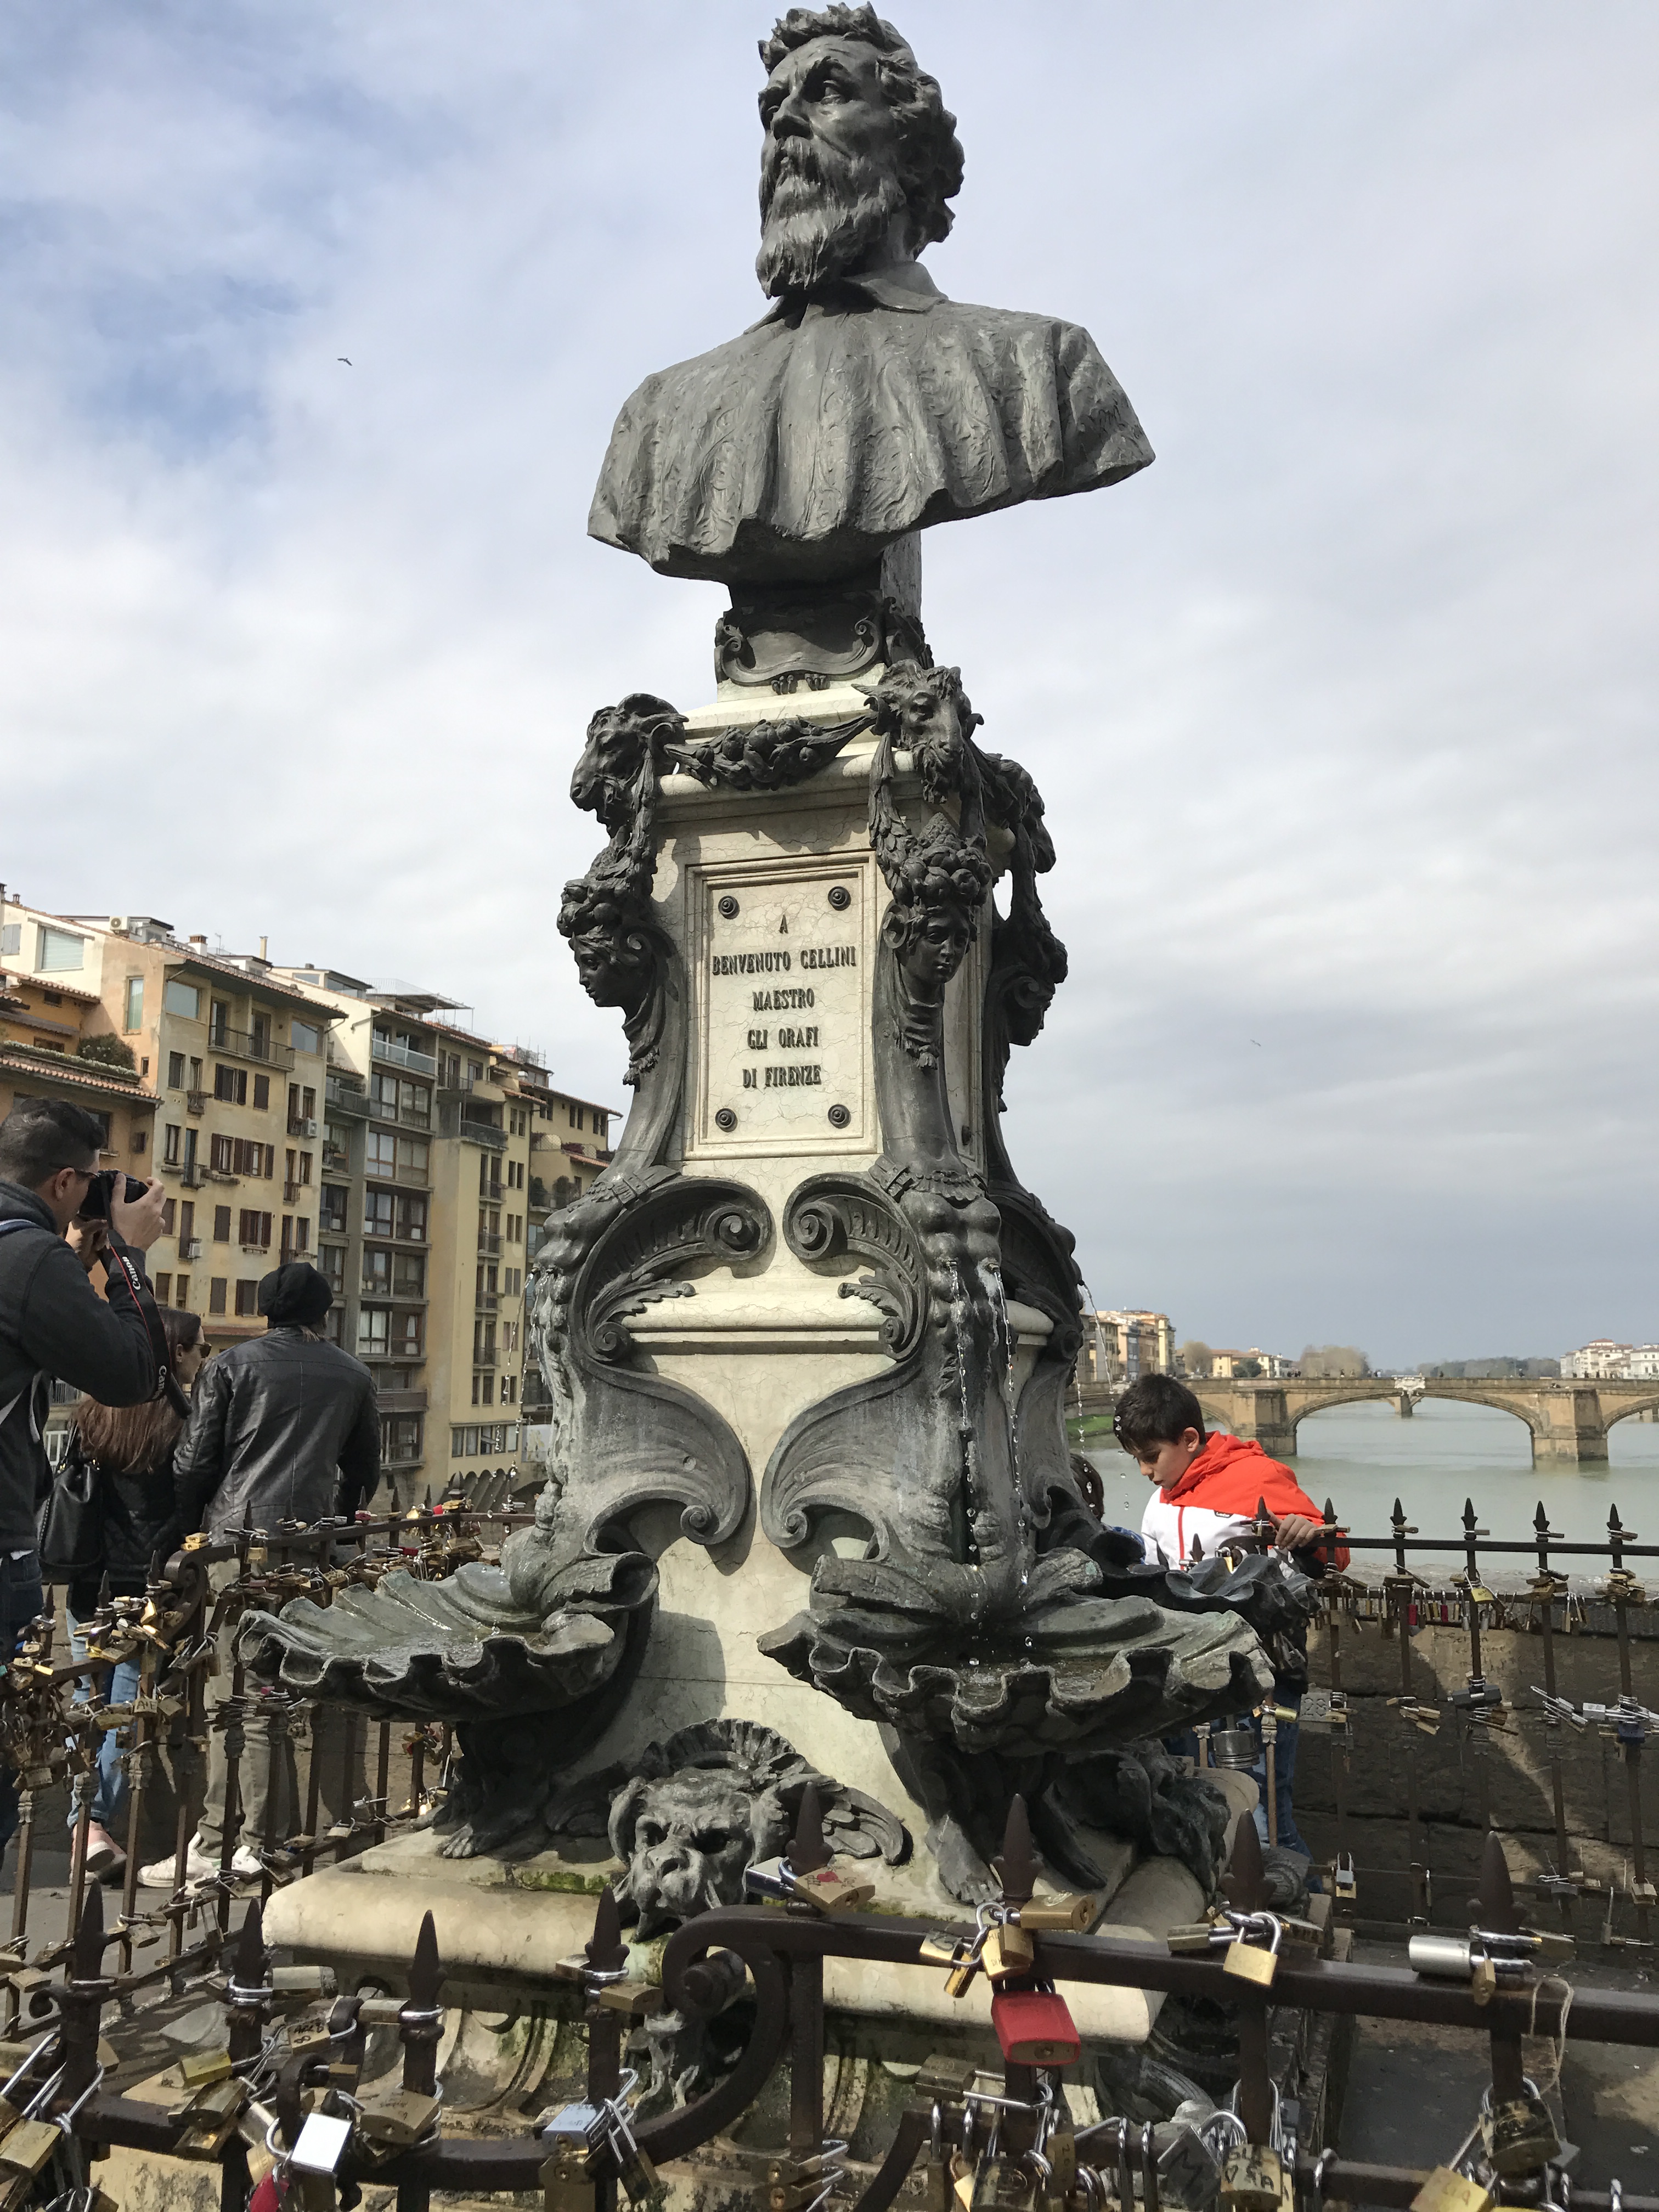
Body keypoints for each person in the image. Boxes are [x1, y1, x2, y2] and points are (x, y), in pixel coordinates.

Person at [140, 1260, 378, 1884]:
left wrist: (189, 1531)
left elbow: (194, 1463)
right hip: (312, 1546)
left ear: (265, 1311)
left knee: (241, 1695)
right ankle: (253, 1835)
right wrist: (336, 1527)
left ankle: (251, 1841)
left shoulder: (230, 1367)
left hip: (239, 1545)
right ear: (323, 1312)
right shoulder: (353, 1374)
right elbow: (364, 1472)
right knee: (301, 1688)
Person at [0, 1099, 168, 1865]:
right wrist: (127, 1257)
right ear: (65, 1181)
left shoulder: (28, 1257)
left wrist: (68, 1259)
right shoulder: (29, 1258)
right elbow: (132, 1375)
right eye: (96, 1180)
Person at [1113, 1373, 1350, 1860]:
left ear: (1190, 1439)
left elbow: (1335, 1553)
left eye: (1151, 1456)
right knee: (1194, 1800)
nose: (1145, 1471)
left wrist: (1308, 1534)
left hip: (1261, 1672)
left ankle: (1292, 1896)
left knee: (1263, 1817)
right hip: (1188, 1673)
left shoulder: (1256, 1477)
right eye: (1137, 1459)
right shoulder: (1160, 1499)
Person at [63, 1307, 207, 1880]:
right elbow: (191, 1500)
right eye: (199, 1349)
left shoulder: (93, 1409)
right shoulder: (182, 1418)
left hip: (87, 1580)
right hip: (146, 1587)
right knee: (127, 1710)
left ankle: (84, 1828)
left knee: (86, 1701)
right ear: (176, 1353)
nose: (203, 1360)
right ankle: (93, 1823)